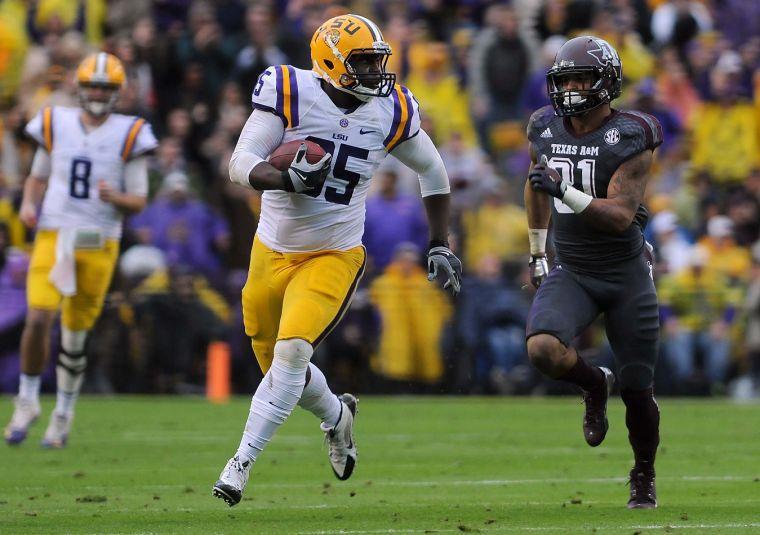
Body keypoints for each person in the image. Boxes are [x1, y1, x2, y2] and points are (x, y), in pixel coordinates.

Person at [213, 14, 461, 506]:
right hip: (271, 250)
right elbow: (239, 164)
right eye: (362, 63)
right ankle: (336, 414)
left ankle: (239, 463)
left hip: (334, 252)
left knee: (292, 353)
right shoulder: (289, 89)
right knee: (278, 366)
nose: (375, 73)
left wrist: (439, 241)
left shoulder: (391, 110)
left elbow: (433, 170)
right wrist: (285, 179)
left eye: (376, 61)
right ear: (329, 64)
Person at [524, 36, 663, 509]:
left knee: (638, 389)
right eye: (565, 80)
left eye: (581, 79)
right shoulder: (544, 126)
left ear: (607, 83)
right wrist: (538, 252)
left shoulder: (632, 134)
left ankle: (643, 472)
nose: (571, 89)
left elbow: (621, 214)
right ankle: (591, 383)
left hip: (625, 273)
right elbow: (536, 185)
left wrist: (564, 190)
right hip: (575, 268)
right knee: (542, 347)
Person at [4, 53, 157, 448]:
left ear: (117, 92)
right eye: (92, 85)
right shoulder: (57, 120)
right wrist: (27, 204)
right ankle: (27, 399)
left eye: (105, 87)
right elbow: (37, 177)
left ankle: (63, 413)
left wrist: (116, 196)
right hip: (56, 233)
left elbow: (139, 200)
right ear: (80, 86)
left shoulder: (130, 131)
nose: (97, 93)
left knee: (75, 334)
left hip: (99, 239)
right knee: (38, 317)